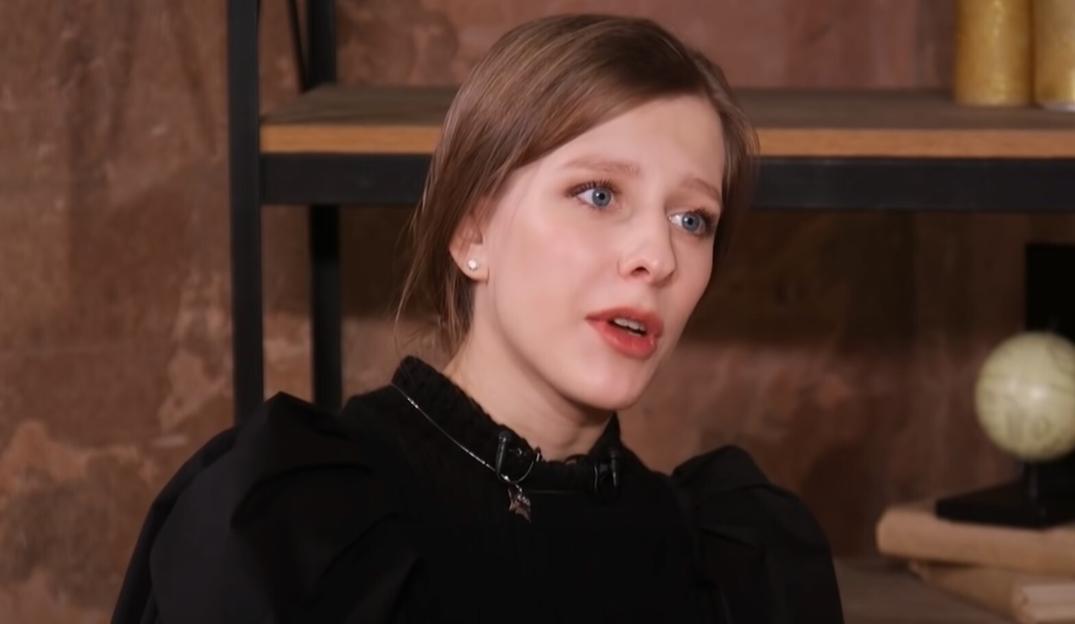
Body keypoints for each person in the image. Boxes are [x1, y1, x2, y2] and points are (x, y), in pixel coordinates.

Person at [113, 13, 843, 624]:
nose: (657, 256)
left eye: (692, 219)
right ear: (473, 232)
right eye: (598, 194)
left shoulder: (732, 567)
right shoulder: (286, 524)